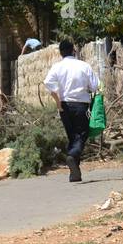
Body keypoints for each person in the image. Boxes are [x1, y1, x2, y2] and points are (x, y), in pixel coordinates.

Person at [43, 40, 100, 182]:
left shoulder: (57, 67)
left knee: (72, 136)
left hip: (64, 106)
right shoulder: (84, 66)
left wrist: (58, 102)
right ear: (73, 50)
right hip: (81, 105)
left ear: (61, 52)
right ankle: (72, 156)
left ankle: (75, 173)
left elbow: (48, 83)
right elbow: (95, 86)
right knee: (82, 134)